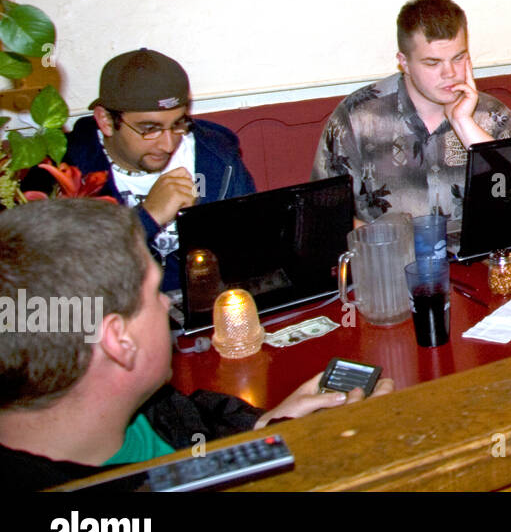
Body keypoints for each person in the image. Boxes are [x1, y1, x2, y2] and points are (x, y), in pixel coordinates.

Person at [0, 199, 394, 490]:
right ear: (119, 341)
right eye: (156, 293)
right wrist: (329, 460)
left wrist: (266, 427)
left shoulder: (140, 410)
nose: (166, 305)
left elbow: (194, 424)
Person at [24, 48, 255, 293]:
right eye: (149, 129)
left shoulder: (218, 159)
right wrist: (147, 217)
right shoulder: (64, 172)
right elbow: (53, 280)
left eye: (178, 124)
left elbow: (251, 250)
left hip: (206, 312)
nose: (168, 144)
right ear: (106, 121)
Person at [313, 0, 511, 224]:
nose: (449, 73)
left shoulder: (492, 116)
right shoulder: (357, 117)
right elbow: (325, 214)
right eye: (432, 63)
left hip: (477, 258)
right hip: (392, 256)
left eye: (459, 58)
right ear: (404, 62)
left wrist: (465, 124)